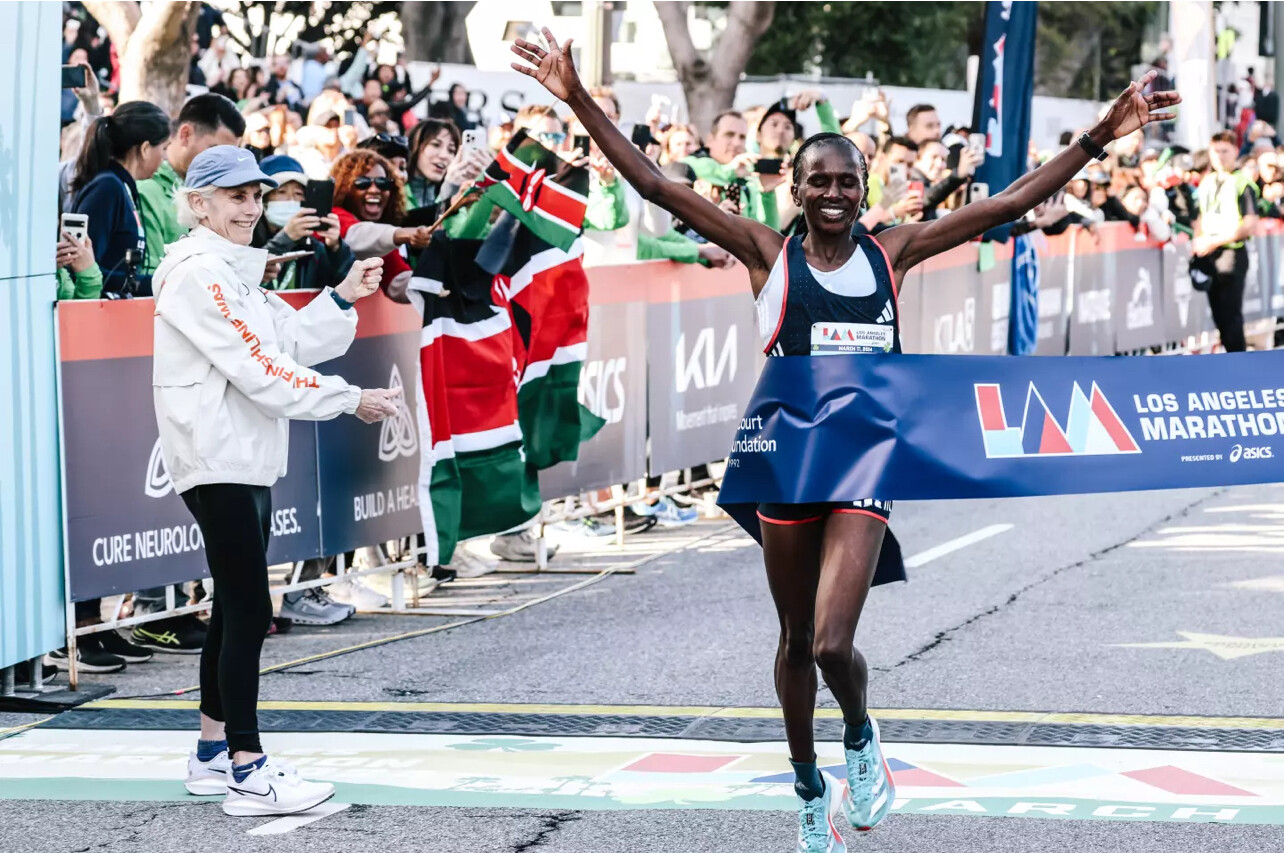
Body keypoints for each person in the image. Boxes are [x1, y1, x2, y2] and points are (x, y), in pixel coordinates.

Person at [512, 28, 1178, 850]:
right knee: (795, 640)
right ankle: (807, 789)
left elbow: (1005, 206)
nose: (834, 192)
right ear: (795, 189)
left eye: (848, 181)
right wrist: (577, 95)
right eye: (820, 180)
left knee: (833, 641)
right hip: (786, 460)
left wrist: (1102, 133)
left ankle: (861, 737)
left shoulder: (892, 252)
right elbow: (653, 183)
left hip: (865, 459)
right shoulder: (765, 253)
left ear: (866, 190)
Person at [154, 145, 400, 816]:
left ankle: (213, 754)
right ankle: (248, 769)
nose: (251, 207)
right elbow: (260, 368)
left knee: (236, 607)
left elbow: (284, 342)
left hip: (238, 453)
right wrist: (349, 398)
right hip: (218, 456)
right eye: (236, 196)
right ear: (198, 204)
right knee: (248, 608)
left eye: (256, 195)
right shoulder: (199, 273)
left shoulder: (230, 269)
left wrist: (342, 295)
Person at [70, 101, 172, 297]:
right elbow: (82, 267)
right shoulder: (107, 188)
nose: (164, 157)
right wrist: (155, 284)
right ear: (145, 149)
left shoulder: (121, 186)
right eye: (164, 148)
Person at [138, 93, 247, 275]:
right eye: (215, 151)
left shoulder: (216, 193)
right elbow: (149, 275)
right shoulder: (147, 190)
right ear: (185, 135)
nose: (223, 163)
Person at [329, 149, 431, 298]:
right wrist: (406, 234)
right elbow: (356, 237)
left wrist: (439, 284)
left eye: (383, 183)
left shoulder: (381, 242)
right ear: (344, 188)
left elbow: (399, 282)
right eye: (363, 183)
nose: (374, 190)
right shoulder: (333, 216)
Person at [1192, 131, 1260, 353]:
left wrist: (1214, 241)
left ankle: (1238, 363)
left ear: (1235, 152)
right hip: (1209, 254)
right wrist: (1199, 240)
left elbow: (1250, 224)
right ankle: (1229, 361)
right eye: (1216, 151)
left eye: (1225, 151)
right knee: (1218, 316)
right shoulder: (1207, 182)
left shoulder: (1242, 183)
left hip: (1231, 253)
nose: (1220, 156)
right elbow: (1201, 216)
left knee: (1231, 316)